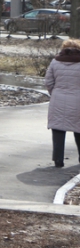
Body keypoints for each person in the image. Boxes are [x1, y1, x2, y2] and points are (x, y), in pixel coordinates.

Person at [44, 38, 80, 168]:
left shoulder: (55, 62)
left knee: (58, 128)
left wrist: (54, 93)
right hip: (78, 100)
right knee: (79, 129)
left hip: (58, 98)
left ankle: (58, 159)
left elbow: (48, 81)